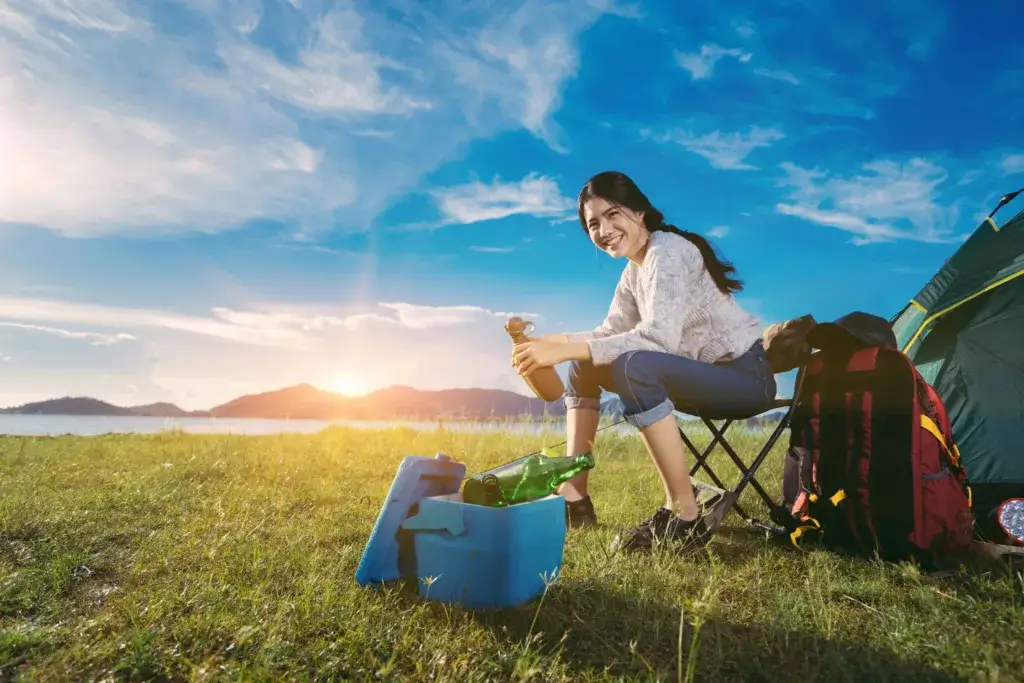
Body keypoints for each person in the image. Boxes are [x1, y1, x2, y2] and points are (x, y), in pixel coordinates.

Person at [511, 170, 776, 552]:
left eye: (612, 214)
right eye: (593, 224)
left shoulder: (667, 251)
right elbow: (608, 334)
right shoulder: (634, 271)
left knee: (634, 364)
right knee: (585, 364)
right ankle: (574, 499)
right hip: (696, 378)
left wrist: (565, 347)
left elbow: (657, 339)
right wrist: (555, 342)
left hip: (744, 379)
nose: (603, 230)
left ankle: (685, 515)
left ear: (639, 211)